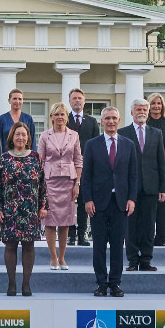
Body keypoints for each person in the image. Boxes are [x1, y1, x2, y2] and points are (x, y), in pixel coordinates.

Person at [80, 105, 137, 296]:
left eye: (114, 118)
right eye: (107, 118)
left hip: (120, 202)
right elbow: (86, 175)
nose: (111, 121)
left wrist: (131, 199)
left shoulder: (128, 144)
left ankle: (115, 283)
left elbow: (133, 175)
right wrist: (87, 199)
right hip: (98, 202)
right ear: (101, 121)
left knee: (117, 245)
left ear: (119, 121)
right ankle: (101, 283)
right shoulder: (92, 144)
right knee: (99, 245)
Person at [0, 122, 47, 297]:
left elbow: (43, 184)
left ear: (28, 137)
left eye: (24, 134)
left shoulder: (36, 157)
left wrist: (43, 206)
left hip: (30, 209)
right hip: (10, 209)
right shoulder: (4, 158)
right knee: (11, 246)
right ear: (12, 138)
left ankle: (26, 284)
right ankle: (12, 285)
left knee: (29, 246)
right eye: (17, 135)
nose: (21, 137)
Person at [123, 98, 165, 272]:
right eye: (138, 109)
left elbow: (161, 162)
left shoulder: (156, 133)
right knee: (131, 225)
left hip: (151, 186)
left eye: (144, 109)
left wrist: (163, 188)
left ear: (148, 111)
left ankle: (146, 260)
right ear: (132, 112)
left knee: (149, 225)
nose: (141, 112)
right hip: (130, 188)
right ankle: (133, 260)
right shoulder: (123, 133)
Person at [39, 102, 82, 271]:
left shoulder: (74, 135)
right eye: (56, 114)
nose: (60, 117)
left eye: (62, 114)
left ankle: (63, 257)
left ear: (67, 117)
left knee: (65, 221)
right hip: (49, 181)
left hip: (68, 181)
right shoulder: (44, 135)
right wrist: (40, 186)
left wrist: (77, 183)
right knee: (50, 220)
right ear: (51, 117)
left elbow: (78, 160)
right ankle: (53, 258)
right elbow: (39, 160)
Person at [66, 89, 100, 247]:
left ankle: (82, 235)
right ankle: (70, 235)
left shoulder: (92, 121)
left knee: (84, 201)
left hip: (87, 167)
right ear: (70, 101)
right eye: (74, 98)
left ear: (84, 101)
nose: (77, 101)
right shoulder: (64, 119)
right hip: (68, 167)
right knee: (70, 202)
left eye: (80, 98)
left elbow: (96, 144)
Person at [147, 93, 165, 247]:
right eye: (153, 103)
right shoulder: (146, 122)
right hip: (149, 162)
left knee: (164, 200)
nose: (156, 106)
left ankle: (163, 236)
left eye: (159, 103)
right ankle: (149, 236)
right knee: (151, 200)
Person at [0, 88, 36, 152]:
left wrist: (33, 157)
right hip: (7, 157)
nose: (17, 101)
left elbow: (33, 140)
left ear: (22, 101)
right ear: (9, 100)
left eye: (20, 99)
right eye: (14, 98)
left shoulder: (28, 119)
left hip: (25, 157)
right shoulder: (2, 119)